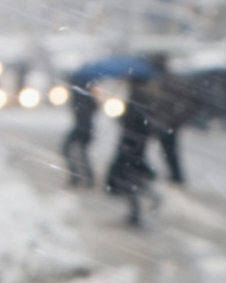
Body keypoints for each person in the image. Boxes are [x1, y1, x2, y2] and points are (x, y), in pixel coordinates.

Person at [105, 76, 161, 227]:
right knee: (132, 179)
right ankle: (137, 212)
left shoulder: (138, 98)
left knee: (130, 180)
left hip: (131, 145)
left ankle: (140, 211)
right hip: (134, 145)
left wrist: (122, 117)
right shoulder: (142, 98)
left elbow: (133, 122)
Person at [144, 55, 196, 186]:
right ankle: (174, 176)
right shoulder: (157, 80)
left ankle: (176, 177)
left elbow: (190, 102)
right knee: (166, 151)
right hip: (163, 122)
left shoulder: (166, 81)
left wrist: (175, 119)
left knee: (168, 151)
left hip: (166, 123)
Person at [61, 76, 97, 188]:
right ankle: (86, 178)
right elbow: (94, 109)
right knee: (81, 153)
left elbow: (82, 113)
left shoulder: (79, 95)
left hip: (82, 128)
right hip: (86, 128)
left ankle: (78, 177)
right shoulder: (87, 95)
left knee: (69, 150)